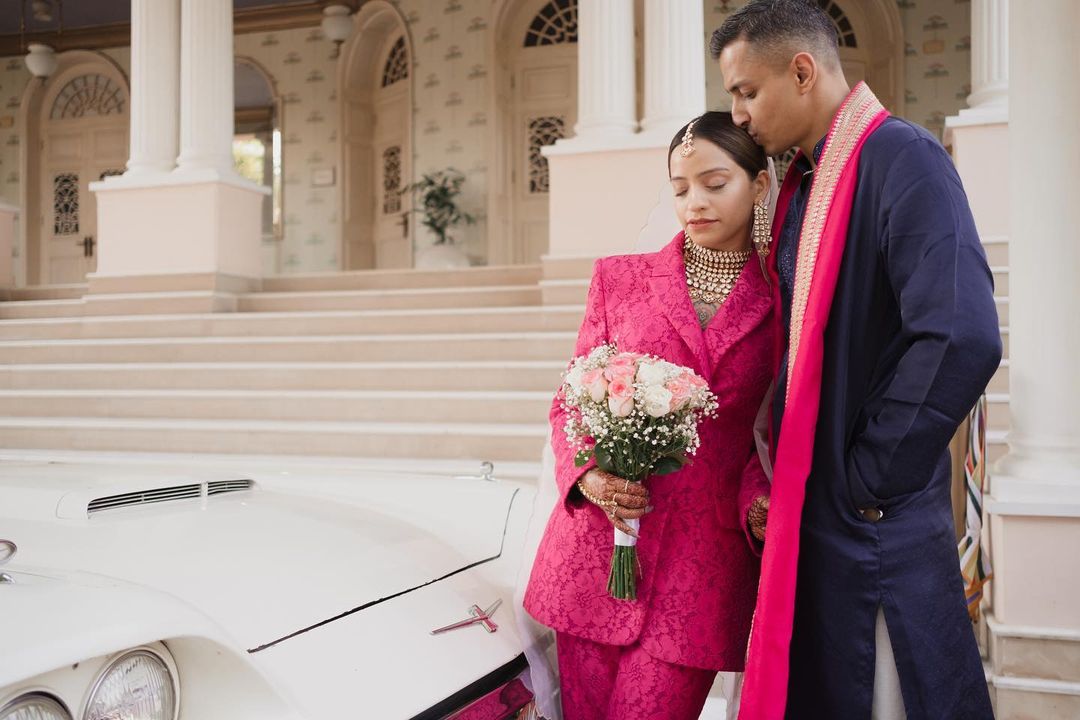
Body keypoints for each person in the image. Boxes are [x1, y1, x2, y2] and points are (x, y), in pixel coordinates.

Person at [710, 2, 1002, 719]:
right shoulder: (805, 182)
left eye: (747, 91)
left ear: (803, 70)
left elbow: (960, 333)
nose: (739, 115)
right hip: (822, 521)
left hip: (874, 526)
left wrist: (868, 478)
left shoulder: (903, 159)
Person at [523, 112, 777, 720]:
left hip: (699, 569)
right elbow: (572, 398)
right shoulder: (620, 280)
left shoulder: (786, 302)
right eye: (681, 187)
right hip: (594, 552)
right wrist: (589, 476)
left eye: (715, 184)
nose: (695, 202)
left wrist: (760, 502)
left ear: (759, 185)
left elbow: (769, 436)